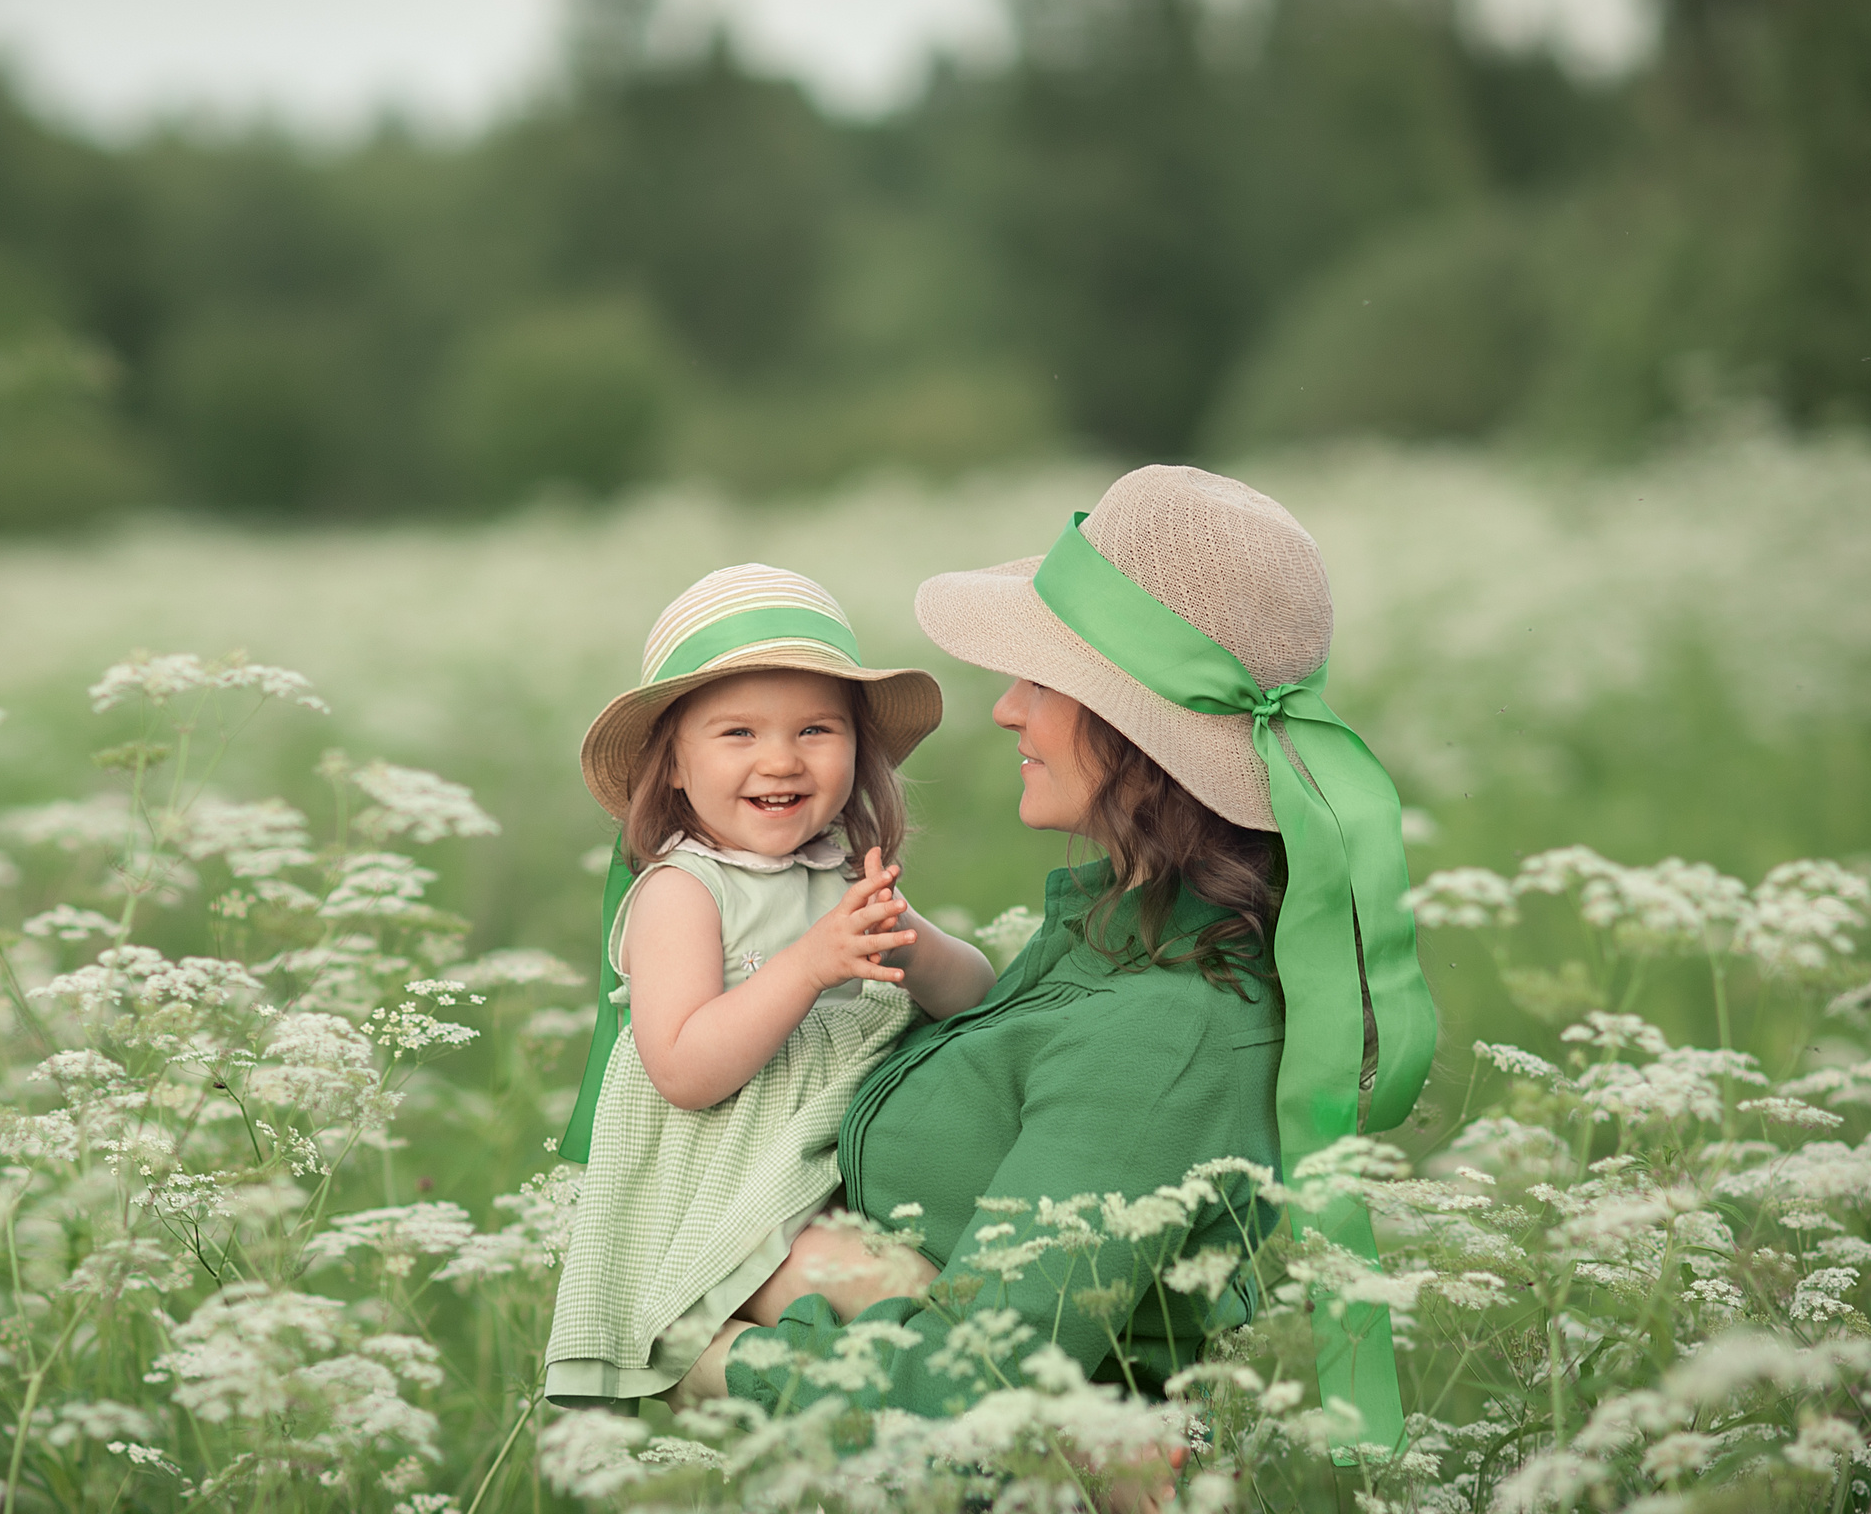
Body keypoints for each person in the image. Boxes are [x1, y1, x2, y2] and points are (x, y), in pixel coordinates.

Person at [696, 466, 1438, 1457]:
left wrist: (708, 1356)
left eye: (1042, 682)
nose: (1005, 710)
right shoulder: (1111, 942)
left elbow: (971, 1390)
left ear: (1137, 730)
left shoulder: (1160, 1031)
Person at [545, 564, 999, 1410]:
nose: (781, 760)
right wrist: (808, 966)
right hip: (726, 1196)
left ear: (857, 751)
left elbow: (974, 995)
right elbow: (683, 1068)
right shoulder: (683, 893)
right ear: (672, 766)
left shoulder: (836, 876)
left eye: (817, 730)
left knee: (931, 1301)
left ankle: (954, 1458)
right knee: (882, 1290)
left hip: (833, 1178)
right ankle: (690, 1357)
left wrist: (903, 941)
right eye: (739, 734)